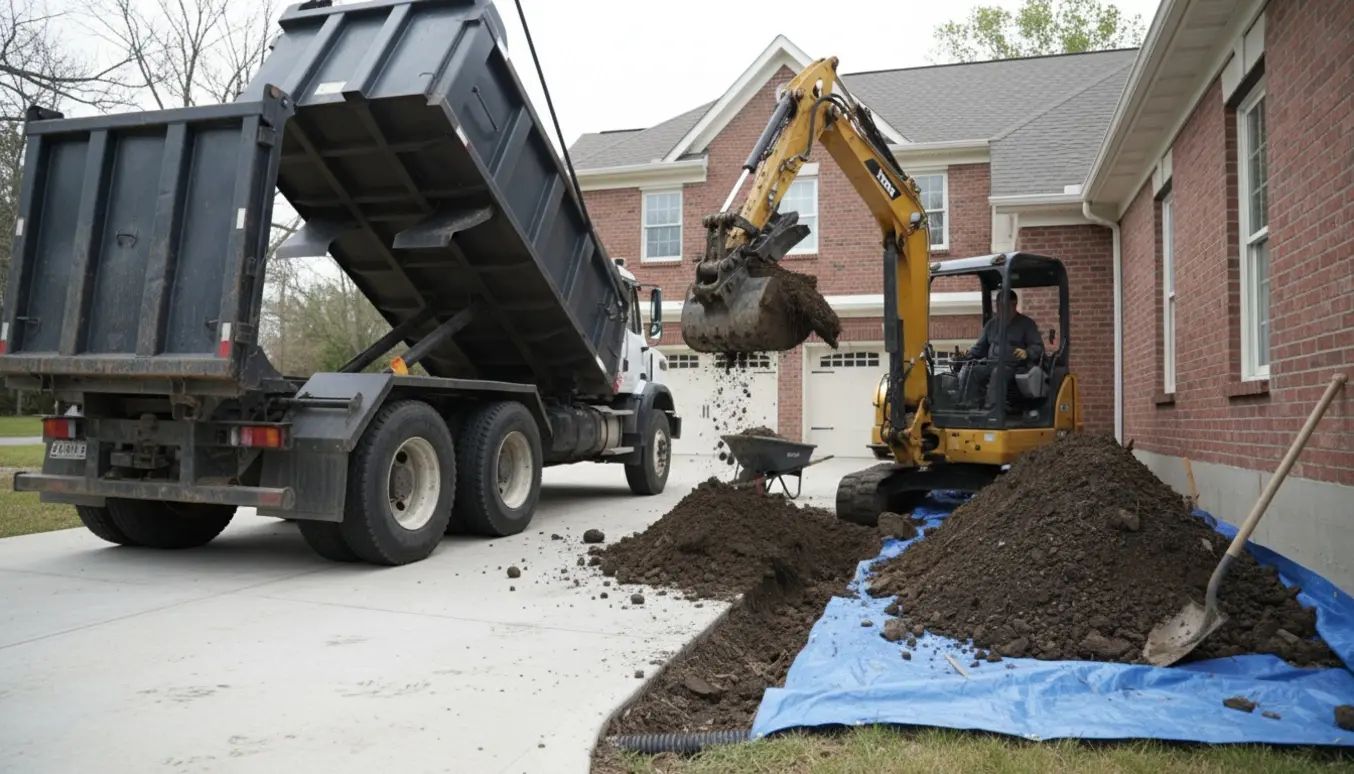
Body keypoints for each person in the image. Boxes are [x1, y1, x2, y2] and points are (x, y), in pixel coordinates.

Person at [959, 289, 1044, 408]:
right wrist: (967, 355)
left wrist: (1027, 352)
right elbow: (980, 348)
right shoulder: (991, 325)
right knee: (971, 370)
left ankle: (993, 408)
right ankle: (968, 405)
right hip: (991, 364)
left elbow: (1038, 346)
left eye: (1002, 305)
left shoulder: (1027, 324)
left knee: (998, 372)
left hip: (1014, 366)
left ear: (1014, 304)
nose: (999, 308)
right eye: (997, 305)